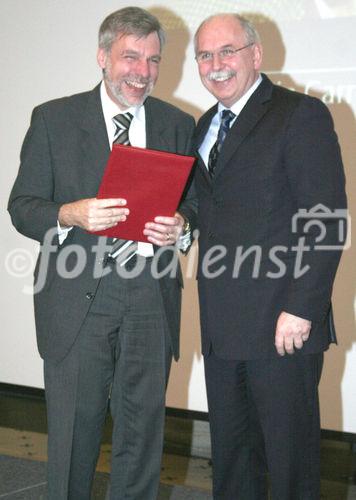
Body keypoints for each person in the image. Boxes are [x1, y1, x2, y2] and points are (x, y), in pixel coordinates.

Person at [8, 7, 196, 500]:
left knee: (142, 437)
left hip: (151, 297)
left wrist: (183, 227)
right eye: (130, 56)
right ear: (102, 56)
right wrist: (71, 213)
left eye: (153, 60)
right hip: (77, 300)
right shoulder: (54, 118)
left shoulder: (178, 124)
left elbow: (194, 205)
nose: (142, 71)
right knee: (74, 433)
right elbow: (21, 207)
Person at [193, 13, 347, 499]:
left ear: (255, 55)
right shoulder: (204, 126)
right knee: (233, 463)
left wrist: (303, 308)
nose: (216, 65)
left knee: (288, 467)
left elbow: (324, 219)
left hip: (282, 326)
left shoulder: (299, 114)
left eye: (227, 51)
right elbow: (211, 210)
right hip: (222, 330)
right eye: (204, 55)